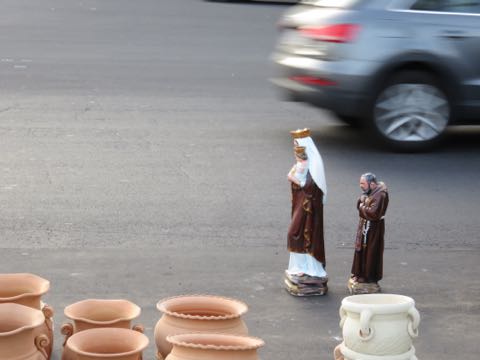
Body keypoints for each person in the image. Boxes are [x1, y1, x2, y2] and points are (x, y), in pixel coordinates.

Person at [285, 128, 328, 296]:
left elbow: (313, 188)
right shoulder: (301, 163)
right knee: (297, 235)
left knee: (296, 233)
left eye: (298, 145)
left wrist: (300, 184)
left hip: (309, 208)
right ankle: (300, 267)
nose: (296, 149)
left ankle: (311, 268)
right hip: (300, 204)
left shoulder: (314, 165)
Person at [349, 173, 389, 294]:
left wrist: (362, 206)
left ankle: (368, 277)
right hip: (365, 226)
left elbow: (374, 213)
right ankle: (359, 273)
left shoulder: (381, 195)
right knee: (361, 250)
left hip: (373, 229)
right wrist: (362, 202)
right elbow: (363, 204)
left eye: (363, 184)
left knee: (370, 252)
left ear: (372, 184)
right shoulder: (370, 192)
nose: (361, 186)